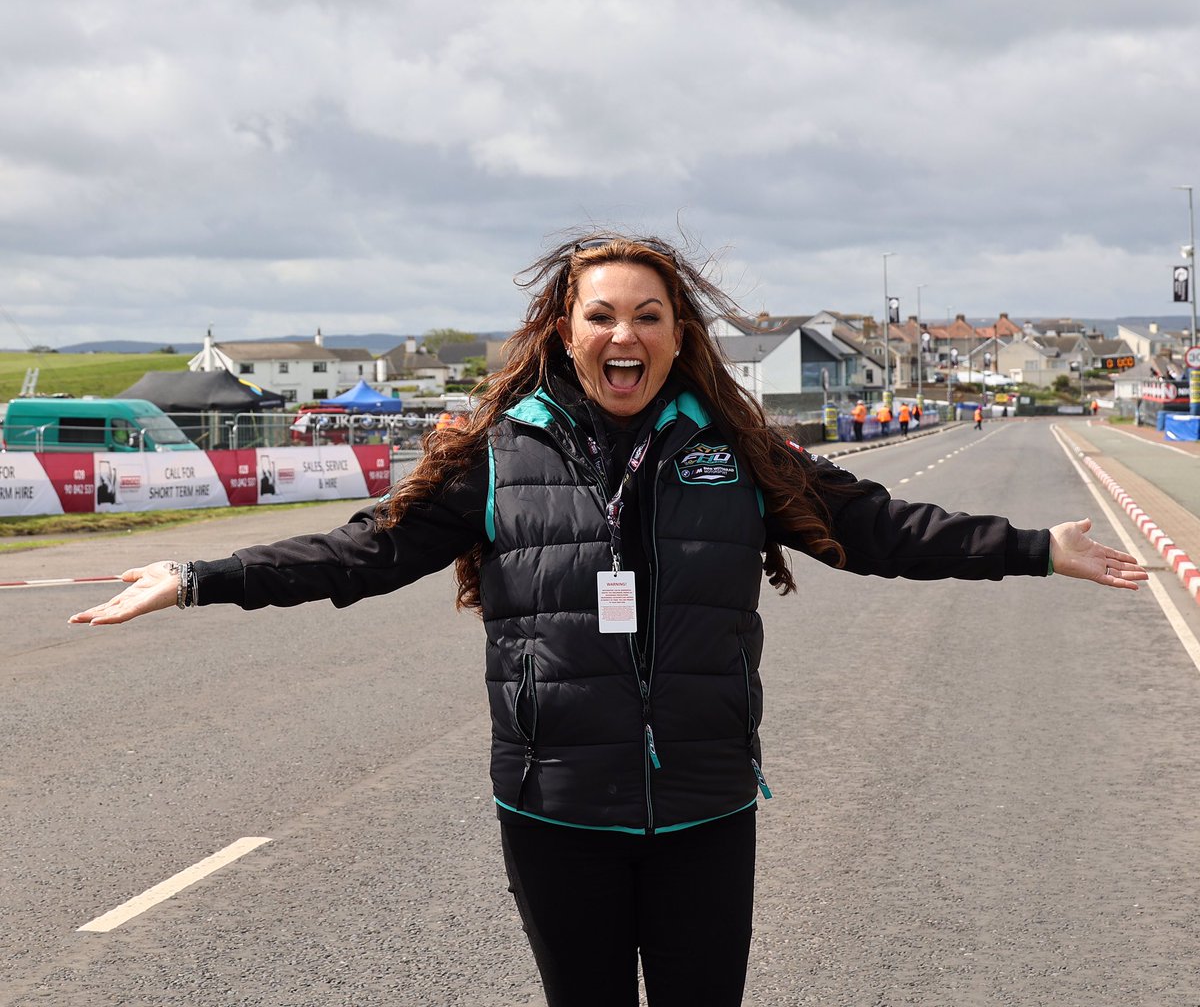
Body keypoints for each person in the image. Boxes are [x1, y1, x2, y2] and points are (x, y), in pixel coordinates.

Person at [69, 233, 1147, 1007]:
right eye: (601, 315)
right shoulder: (494, 457)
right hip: (557, 808)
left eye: (648, 315)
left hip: (705, 804)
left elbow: (882, 530)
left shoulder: (740, 456)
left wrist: (1034, 549)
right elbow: (358, 553)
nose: (623, 333)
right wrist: (196, 574)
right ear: (563, 332)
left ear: (678, 339)